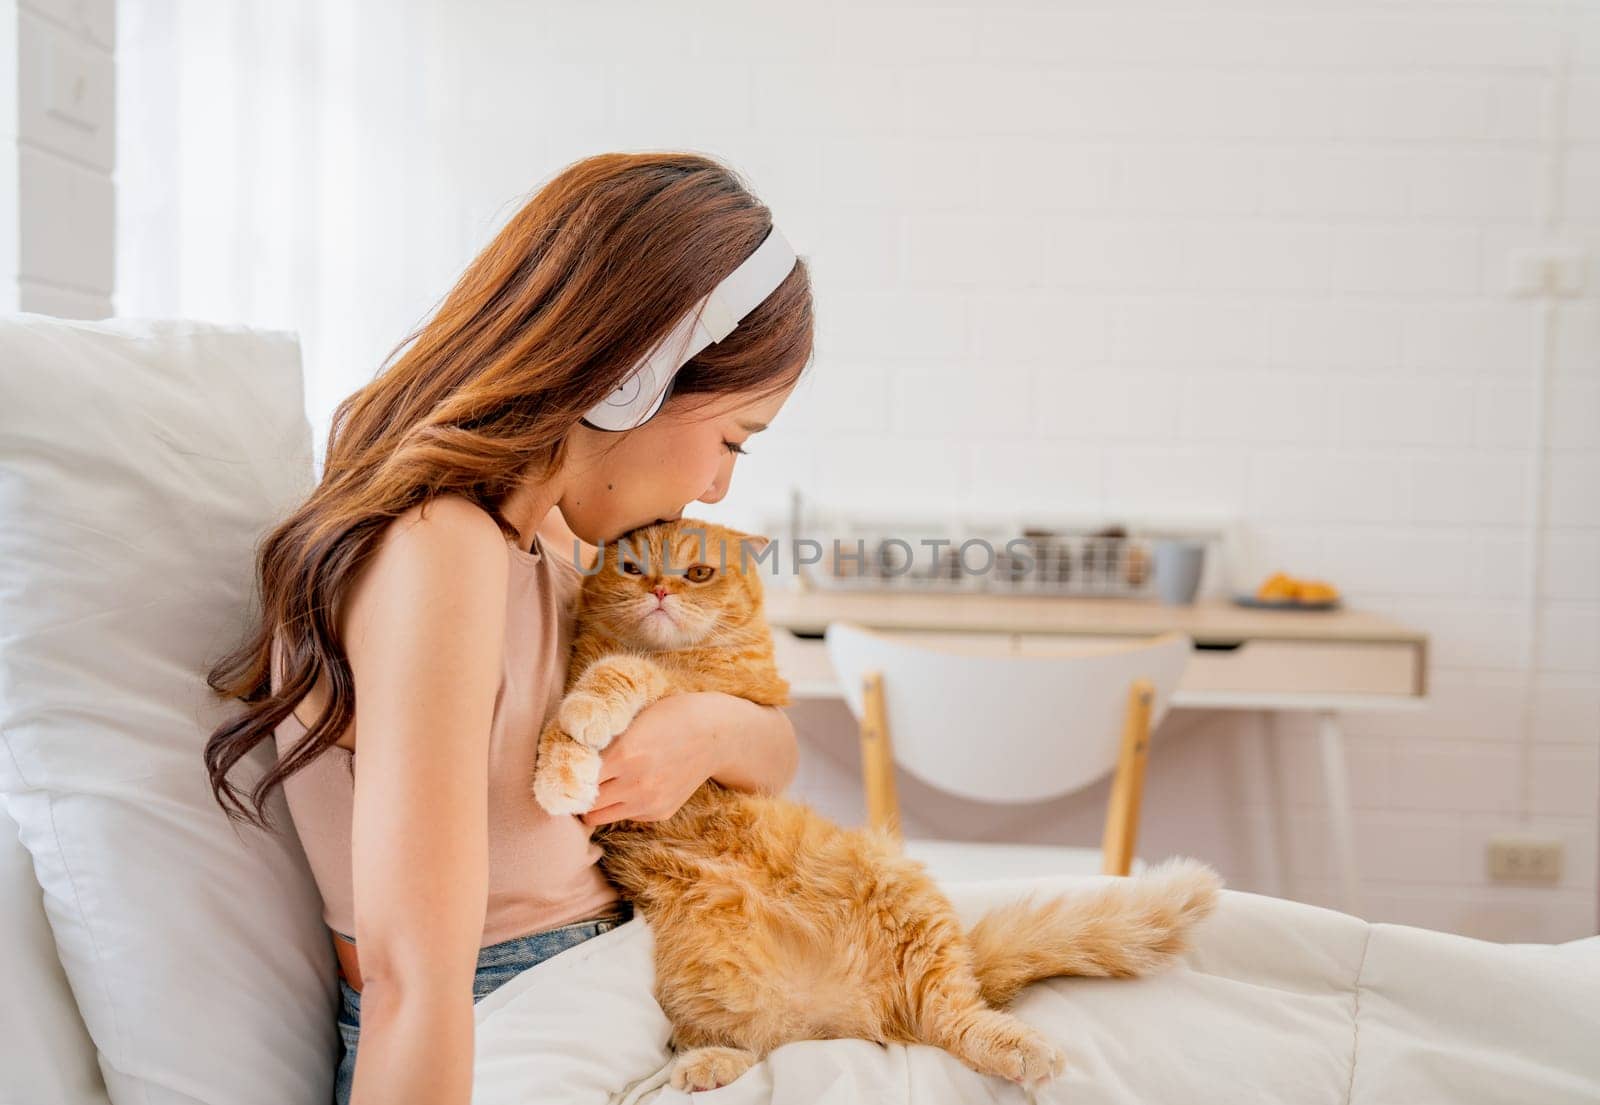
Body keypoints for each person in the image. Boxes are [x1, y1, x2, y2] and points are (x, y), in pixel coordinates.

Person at [202, 151, 813, 1105]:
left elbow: (776, 744)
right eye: (733, 439)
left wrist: (707, 730)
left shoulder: (553, 536)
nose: (719, 485)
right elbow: (415, 980)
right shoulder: (440, 548)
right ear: (635, 373)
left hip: (630, 979)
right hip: (519, 1020)